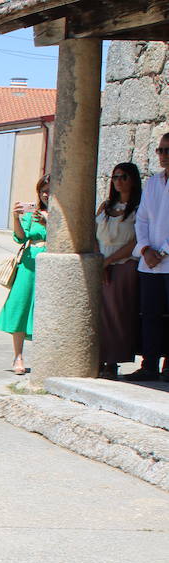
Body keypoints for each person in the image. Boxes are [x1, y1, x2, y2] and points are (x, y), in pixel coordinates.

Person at [0, 174, 49, 376]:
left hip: (50, 262)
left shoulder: (60, 215)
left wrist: (48, 223)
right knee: (21, 306)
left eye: (51, 190)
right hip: (29, 263)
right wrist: (16, 217)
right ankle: (18, 356)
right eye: (44, 190)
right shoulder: (32, 214)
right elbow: (19, 237)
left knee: (45, 310)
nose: (47, 194)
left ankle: (46, 358)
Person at [96, 163, 141, 378]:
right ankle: (98, 357)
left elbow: (135, 241)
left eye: (124, 177)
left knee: (118, 313)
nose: (119, 181)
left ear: (133, 179)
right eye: (115, 177)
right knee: (99, 313)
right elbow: (93, 234)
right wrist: (100, 261)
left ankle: (113, 360)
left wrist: (111, 260)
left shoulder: (138, 208)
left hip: (124, 264)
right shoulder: (105, 206)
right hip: (102, 263)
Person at [130, 135, 169, 381]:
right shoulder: (154, 182)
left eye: (167, 149)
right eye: (160, 150)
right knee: (150, 314)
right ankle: (149, 363)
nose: (163, 154)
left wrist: (163, 252)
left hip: (164, 258)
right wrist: (145, 249)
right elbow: (142, 219)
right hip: (150, 263)